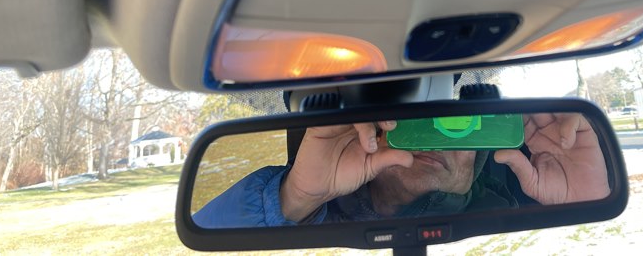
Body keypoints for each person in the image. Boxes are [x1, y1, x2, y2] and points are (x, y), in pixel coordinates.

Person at [193, 112, 610, 228]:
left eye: (459, 125)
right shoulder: (312, 217)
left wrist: (585, 208)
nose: (436, 138)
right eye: (415, 120)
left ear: (481, 156)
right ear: (377, 131)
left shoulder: (513, 223)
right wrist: (297, 196)